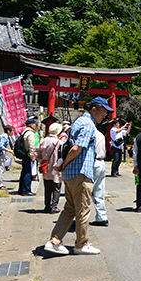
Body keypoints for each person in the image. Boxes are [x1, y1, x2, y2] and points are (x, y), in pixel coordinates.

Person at [44, 96, 113, 256]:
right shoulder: (89, 124)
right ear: (94, 109)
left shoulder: (78, 122)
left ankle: (54, 241)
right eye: (103, 112)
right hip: (81, 172)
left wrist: (64, 166)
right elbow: (76, 148)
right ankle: (82, 243)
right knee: (83, 209)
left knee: (70, 208)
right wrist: (63, 164)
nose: (105, 116)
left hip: (70, 173)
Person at [35, 123, 63, 214]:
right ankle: (54, 206)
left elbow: (35, 151)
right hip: (56, 167)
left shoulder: (44, 140)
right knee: (56, 187)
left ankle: (47, 205)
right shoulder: (60, 142)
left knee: (47, 187)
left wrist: (42, 158)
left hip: (46, 167)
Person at [90, 126, 109, 226]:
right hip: (101, 161)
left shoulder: (91, 135)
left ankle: (80, 216)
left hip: (93, 162)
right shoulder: (101, 134)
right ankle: (102, 216)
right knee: (99, 190)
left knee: (87, 190)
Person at [18, 118, 39, 196]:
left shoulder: (24, 132)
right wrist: (32, 156)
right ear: (31, 125)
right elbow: (31, 146)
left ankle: (21, 189)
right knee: (28, 173)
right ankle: (26, 190)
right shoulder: (30, 133)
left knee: (24, 172)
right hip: (28, 155)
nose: (36, 125)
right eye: (35, 124)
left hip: (24, 154)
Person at [0, 125, 14, 190]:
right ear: (8, 131)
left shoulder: (3, 136)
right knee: (0, 169)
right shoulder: (5, 136)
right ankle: (0, 185)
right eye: (12, 131)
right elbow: (0, 146)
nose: (13, 132)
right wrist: (9, 150)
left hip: (1, 154)